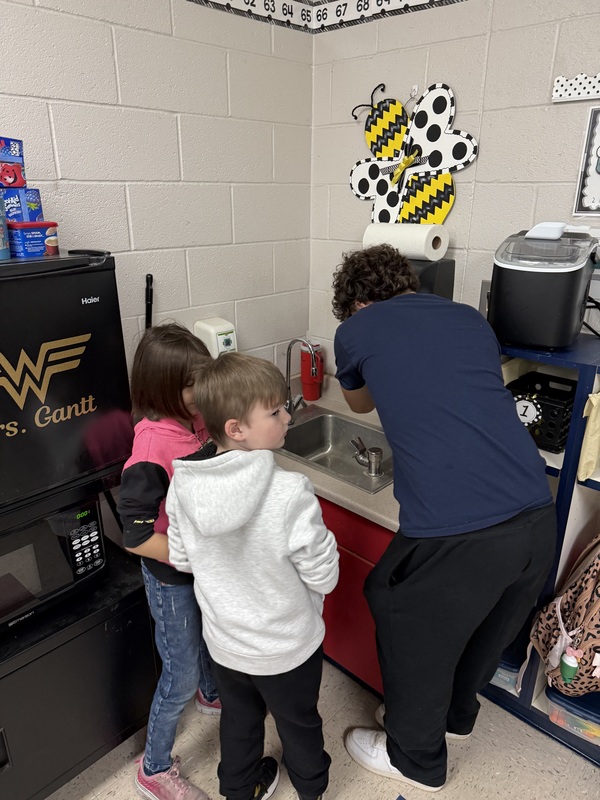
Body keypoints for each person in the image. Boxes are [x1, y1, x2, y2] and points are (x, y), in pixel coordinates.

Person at [332, 244, 557, 793]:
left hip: (461, 531)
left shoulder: (357, 330)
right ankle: (452, 720)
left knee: (412, 630)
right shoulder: (469, 319)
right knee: (476, 625)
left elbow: (359, 407)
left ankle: (417, 760)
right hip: (536, 518)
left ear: (358, 303)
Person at [165, 352, 339, 800]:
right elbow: (324, 574)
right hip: (287, 648)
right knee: (299, 723)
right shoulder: (288, 492)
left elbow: (182, 559)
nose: (287, 418)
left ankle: (239, 790)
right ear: (235, 428)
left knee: (239, 721)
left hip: (226, 645)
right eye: (276, 411)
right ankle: (311, 789)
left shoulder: (183, 485)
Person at [117, 322, 220, 800]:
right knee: (177, 671)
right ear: (163, 389)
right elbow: (135, 536)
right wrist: (190, 555)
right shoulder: (152, 447)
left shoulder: (194, 421)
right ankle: (153, 768)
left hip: (200, 567)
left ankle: (212, 693)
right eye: (192, 383)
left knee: (211, 636)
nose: (203, 390)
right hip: (170, 577)